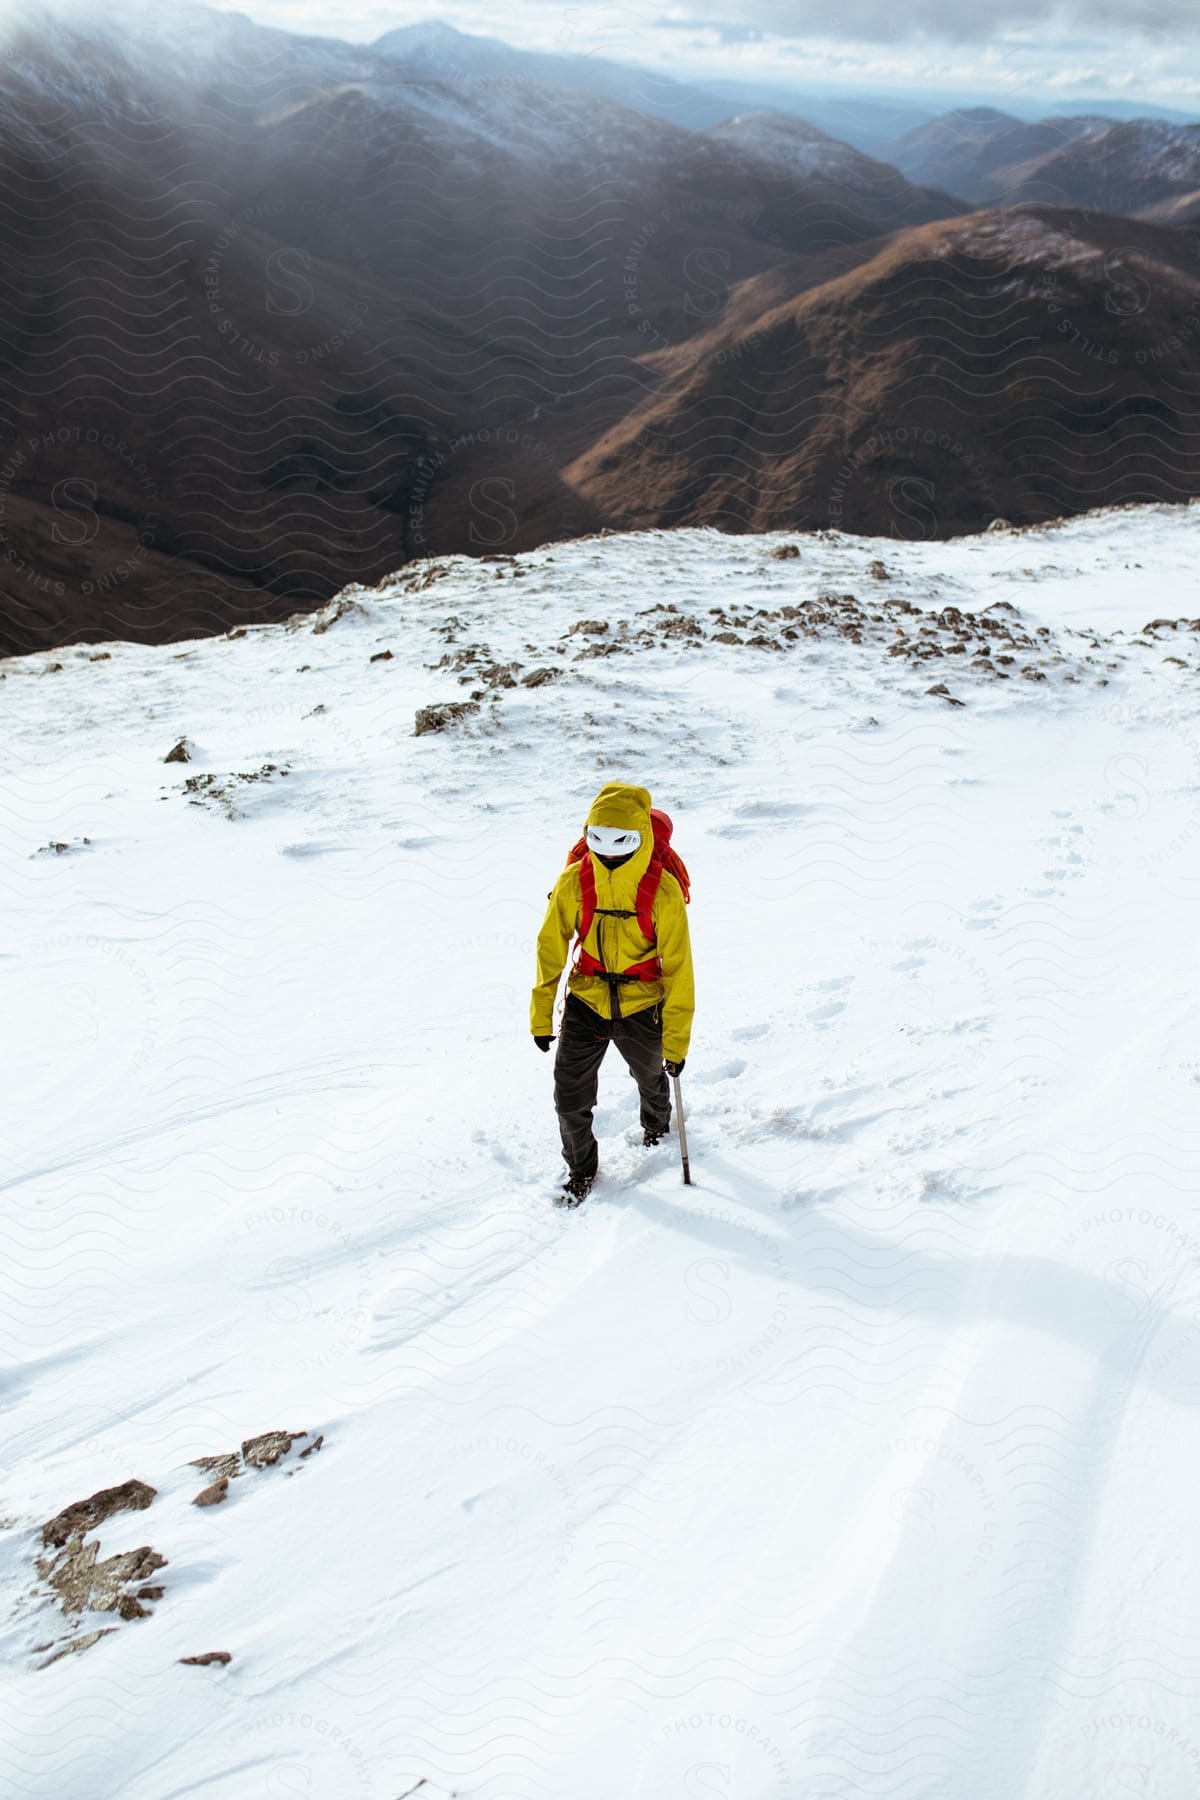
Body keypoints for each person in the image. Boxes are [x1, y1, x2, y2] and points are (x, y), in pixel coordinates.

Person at [530, 782, 694, 1206]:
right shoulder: (575, 880)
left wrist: (676, 1043)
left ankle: (657, 1126)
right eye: (599, 842)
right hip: (586, 1001)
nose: (608, 853)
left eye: (621, 844)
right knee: (569, 1096)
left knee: (651, 1076)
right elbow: (551, 947)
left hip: (642, 1004)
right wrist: (541, 1015)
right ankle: (581, 1170)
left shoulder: (662, 890)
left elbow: (678, 969)